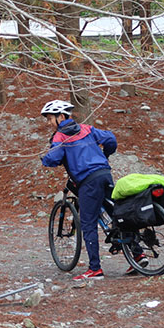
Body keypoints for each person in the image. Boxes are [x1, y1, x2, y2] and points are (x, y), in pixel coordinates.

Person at [40, 99, 123, 280]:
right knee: (118, 213)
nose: (48, 123)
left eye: (49, 119)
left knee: (87, 223)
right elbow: (111, 139)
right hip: (104, 174)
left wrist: (45, 159)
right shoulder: (87, 129)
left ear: (61, 117)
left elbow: (53, 158)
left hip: (87, 181)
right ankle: (138, 254)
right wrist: (106, 155)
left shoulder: (60, 137)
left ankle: (95, 269)